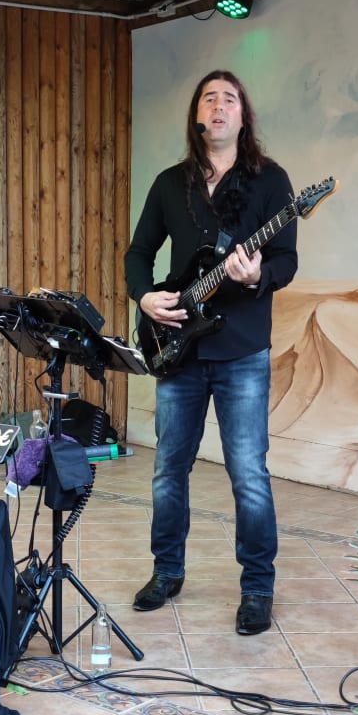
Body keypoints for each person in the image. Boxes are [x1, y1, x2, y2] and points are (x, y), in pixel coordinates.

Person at [125, 69, 297, 635]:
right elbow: (138, 253)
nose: (219, 107)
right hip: (179, 347)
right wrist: (144, 296)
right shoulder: (169, 183)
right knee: (167, 470)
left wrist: (256, 277)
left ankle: (257, 589)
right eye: (209, 99)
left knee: (248, 473)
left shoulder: (271, 181)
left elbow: (286, 261)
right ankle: (166, 571)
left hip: (242, 350)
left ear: (243, 117)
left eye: (229, 99)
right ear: (197, 115)